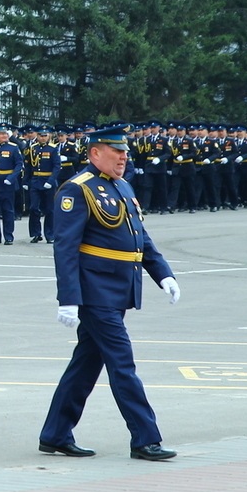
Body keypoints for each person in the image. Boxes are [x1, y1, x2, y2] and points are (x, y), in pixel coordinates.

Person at [38, 126, 180, 462]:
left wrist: (163, 274)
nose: (123, 157)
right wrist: (68, 297)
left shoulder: (123, 185)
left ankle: (55, 433)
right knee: (122, 362)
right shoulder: (77, 190)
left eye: (125, 152)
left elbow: (139, 237)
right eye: (115, 151)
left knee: (85, 365)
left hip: (119, 288)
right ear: (94, 154)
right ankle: (145, 438)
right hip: (95, 292)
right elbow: (66, 249)